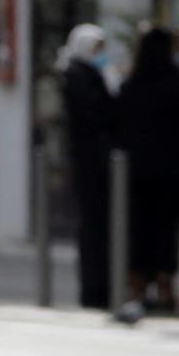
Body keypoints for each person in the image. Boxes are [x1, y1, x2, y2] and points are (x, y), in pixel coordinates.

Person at [116, 27, 179, 311]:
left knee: (138, 230)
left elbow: (117, 125)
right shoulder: (178, 82)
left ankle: (137, 288)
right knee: (166, 230)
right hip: (171, 170)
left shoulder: (133, 83)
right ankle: (164, 287)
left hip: (136, 171)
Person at [59, 23, 118, 309]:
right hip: (88, 164)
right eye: (96, 49)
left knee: (104, 230)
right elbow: (95, 114)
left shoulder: (92, 74)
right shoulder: (76, 76)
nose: (101, 54)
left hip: (103, 164)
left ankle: (104, 288)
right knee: (92, 230)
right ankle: (93, 291)